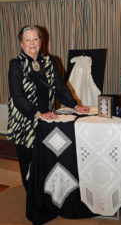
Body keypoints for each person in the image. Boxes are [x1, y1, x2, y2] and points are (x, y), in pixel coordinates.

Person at [7, 25, 88, 191]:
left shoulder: (49, 61)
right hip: (26, 121)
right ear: (21, 44)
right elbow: (17, 96)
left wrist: (74, 105)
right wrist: (37, 114)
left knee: (46, 158)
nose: (31, 43)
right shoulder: (16, 64)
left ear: (41, 41)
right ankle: (31, 195)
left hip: (48, 119)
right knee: (28, 160)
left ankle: (45, 193)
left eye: (35, 39)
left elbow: (60, 87)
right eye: (27, 40)